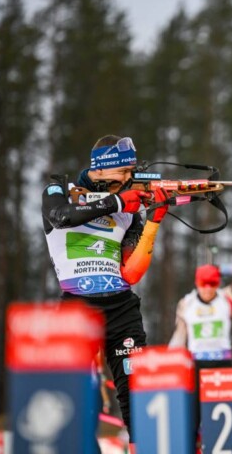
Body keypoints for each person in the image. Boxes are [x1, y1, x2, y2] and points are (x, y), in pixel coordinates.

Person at [42, 134, 169, 443]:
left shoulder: (129, 211)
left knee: (137, 394)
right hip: (77, 307)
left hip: (121, 307)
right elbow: (60, 217)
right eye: (122, 171)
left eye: (131, 172)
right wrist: (117, 201)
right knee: (70, 395)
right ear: (98, 168)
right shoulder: (60, 191)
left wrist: (152, 223)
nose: (127, 179)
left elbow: (131, 273)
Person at [168, 263, 232, 368]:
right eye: (203, 284)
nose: (208, 289)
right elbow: (179, 335)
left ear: (218, 282)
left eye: (213, 283)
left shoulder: (227, 297)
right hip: (196, 363)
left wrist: (221, 269)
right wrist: (171, 360)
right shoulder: (186, 303)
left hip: (223, 362)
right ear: (197, 283)